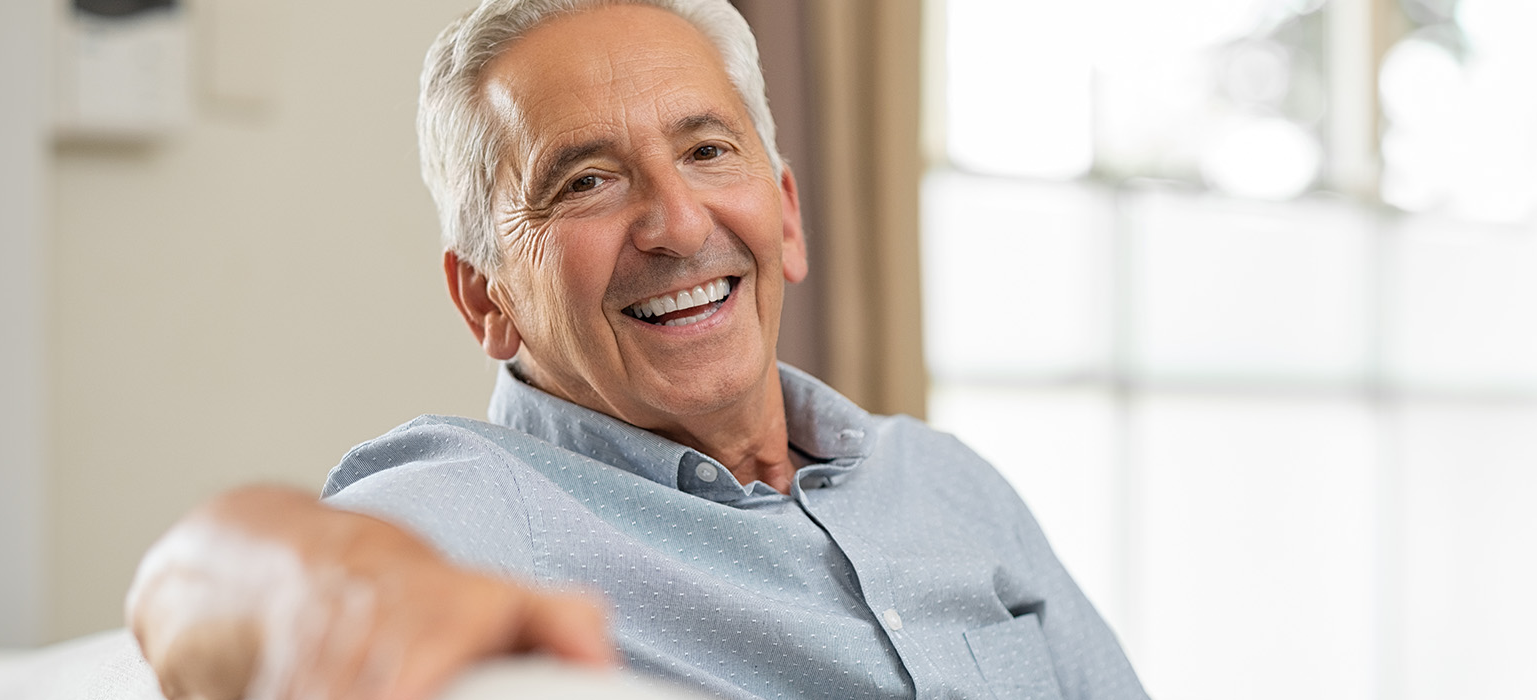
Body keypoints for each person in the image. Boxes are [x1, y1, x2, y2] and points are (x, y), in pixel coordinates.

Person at [125, 1, 1150, 699]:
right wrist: (335, 588)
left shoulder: (947, 482)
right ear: (485, 298)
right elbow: (194, 578)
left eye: (707, 151)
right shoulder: (485, 505)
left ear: (785, 216)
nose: (673, 222)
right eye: (584, 182)